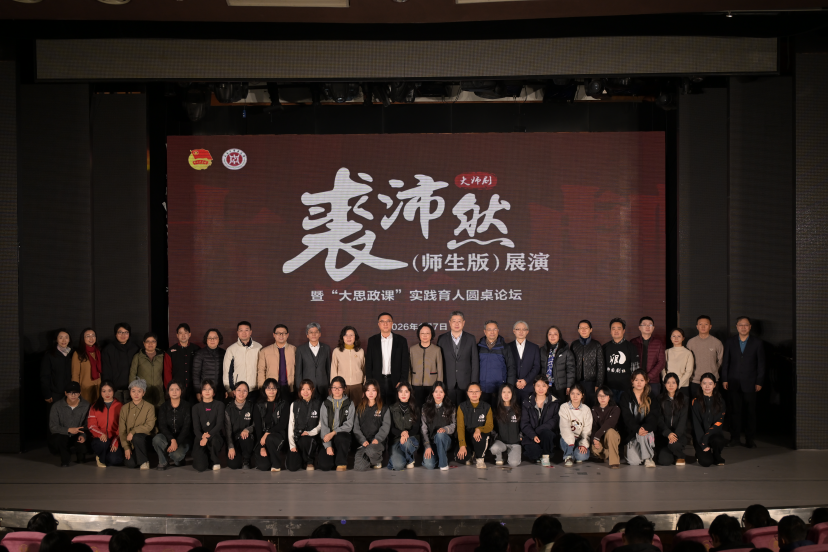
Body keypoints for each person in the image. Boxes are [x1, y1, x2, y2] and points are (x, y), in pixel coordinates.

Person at [721, 316, 765, 448]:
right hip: (733, 381)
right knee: (734, 411)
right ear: (737, 327)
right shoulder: (730, 342)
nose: (743, 327)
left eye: (746, 325)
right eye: (741, 325)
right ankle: (734, 438)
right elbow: (725, 362)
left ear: (750, 327)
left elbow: (761, 364)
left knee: (750, 412)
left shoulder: (757, 343)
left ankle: (750, 439)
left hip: (751, 382)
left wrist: (759, 381)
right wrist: (725, 379)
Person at [365, 312, 410, 404]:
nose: (385, 324)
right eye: (382, 321)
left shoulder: (401, 340)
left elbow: (405, 362)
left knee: (394, 406)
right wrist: (370, 382)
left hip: (395, 381)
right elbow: (369, 363)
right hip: (377, 381)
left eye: (388, 321)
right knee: (379, 406)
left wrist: (402, 380)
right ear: (378, 324)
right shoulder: (372, 340)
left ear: (392, 323)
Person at [619, 370, 660, 468]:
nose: (639, 382)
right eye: (636, 380)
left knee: (643, 433)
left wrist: (644, 428)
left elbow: (653, 416)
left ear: (646, 381)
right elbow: (626, 416)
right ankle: (640, 451)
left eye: (642, 380)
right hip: (631, 433)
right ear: (632, 381)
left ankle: (648, 458)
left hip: (646, 432)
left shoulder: (651, 396)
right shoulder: (625, 396)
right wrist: (637, 429)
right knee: (634, 462)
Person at [317, 375, 355, 471]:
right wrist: (328, 446)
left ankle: (341, 462)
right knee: (325, 466)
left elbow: (349, 425)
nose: (337, 390)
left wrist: (333, 433)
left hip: (341, 437)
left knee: (342, 437)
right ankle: (332, 456)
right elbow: (324, 425)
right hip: (327, 437)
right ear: (331, 388)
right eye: (334, 387)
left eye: (339, 387)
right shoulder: (325, 404)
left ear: (344, 388)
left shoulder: (350, 403)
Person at [521, 375, 560, 467]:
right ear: (534, 386)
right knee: (534, 454)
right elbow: (524, 423)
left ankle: (546, 456)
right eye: (538, 385)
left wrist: (538, 431)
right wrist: (533, 435)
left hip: (546, 435)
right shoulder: (526, 402)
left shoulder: (554, 402)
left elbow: (554, 421)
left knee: (547, 433)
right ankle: (539, 454)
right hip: (531, 436)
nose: (541, 389)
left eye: (544, 385)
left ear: (548, 386)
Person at [48, 381, 90, 466]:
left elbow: (87, 424)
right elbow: (53, 426)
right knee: (58, 440)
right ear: (65, 393)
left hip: (78, 433)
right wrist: (68, 430)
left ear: (80, 393)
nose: (73, 395)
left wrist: (83, 435)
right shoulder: (56, 406)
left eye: (76, 393)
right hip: (63, 434)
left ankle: (81, 456)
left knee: (84, 445)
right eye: (70, 393)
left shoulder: (86, 405)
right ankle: (65, 459)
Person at [153, 380, 192, 470]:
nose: (174, 392)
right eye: (171, 389)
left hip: (183, 439)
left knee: (177, 456)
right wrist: (172, 440)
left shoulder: (187, 406)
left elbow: (187, 427)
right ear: (168, 392)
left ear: (181, 391)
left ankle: (178, 458)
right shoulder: (163, 407)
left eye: (177, 389)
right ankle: (163, 461)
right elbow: (162, 425)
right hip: (168, 437)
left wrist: (177, 442)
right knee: (157, 439)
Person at [119, 378, 156, 470]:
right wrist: (126, 447)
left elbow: (149, 426)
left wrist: (133, 431)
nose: (136, 394)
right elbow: (122, 430)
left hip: (145, 440)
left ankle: (144, 462)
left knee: (137, 436)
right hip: (131, 443)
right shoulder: (124, 408)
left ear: (143, 393)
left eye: (139, 391)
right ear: (130, 392)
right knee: (130, 463)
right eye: (133, 391)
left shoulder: (149, 407)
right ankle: (141, 457)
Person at [354, 379, 391, 471]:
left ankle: (377, 460)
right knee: (359, 467)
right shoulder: (359, 408)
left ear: (377, 392)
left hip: (377, 442)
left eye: (373, 390)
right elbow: (356, 427)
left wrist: (377, 439)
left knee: (371, 450)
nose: (370, 393)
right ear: (364, 392)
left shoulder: (384, 408)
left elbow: (385, 426)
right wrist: (362, 440)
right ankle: (369, 459)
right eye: (368, 390)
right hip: (364, 442)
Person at [254, 378, 290, 472]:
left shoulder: (283, 404)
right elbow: (258, 427)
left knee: (270, 438)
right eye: (268, 388)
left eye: (274, 388)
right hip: (262, 438)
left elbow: (282, 424)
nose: (271, 390)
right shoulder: (258, 405)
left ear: (277, 389)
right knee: (263, 466)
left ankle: (276, 464)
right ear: (264, 389)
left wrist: (267, 433)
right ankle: (268, 459)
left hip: (278, 435)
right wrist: (261, 446)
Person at [691, 373, 727, 467]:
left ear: (714, 385)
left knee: (719, 440)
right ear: (700, 384)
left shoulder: (720, 401)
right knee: (706, 462)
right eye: (704, 383)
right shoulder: (695, 401)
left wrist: (706, 438)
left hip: (713, 435)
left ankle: (716, 454)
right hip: (700, 437)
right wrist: (702, 443)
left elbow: (719, 423)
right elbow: (696, 425)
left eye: (710, 383)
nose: (707, 386)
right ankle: (699, 453)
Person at [477, 320, 516, 405]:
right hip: (482, 389)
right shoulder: (479, 347)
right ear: (485, 331)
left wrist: (509, 387)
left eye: (494, 329)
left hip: (499, 389)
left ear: (498, 331)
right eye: (489, 329)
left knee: (498, 412)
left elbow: (511, 367)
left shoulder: (505, 347)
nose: (492, 332)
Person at [87, 380, 124, 468]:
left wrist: (116, 440)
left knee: (116, 459)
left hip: (114, 438)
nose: (107, 393)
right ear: (100, 392)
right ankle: (101, 457)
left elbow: (122, 426)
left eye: (109, 390)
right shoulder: (94, 406)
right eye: (104, 391)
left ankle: (105, 457)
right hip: (100, 439)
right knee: (102, 443)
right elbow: (91, 425)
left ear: (113, 391)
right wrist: (100, 434)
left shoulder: (120, 406)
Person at [287, 379, 322, 472]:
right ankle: (300, 459)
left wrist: (310, 433)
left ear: (312, 390)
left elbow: (320, 424)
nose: (305, 392)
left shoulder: (318, 404)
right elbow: (291, 425)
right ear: (299, 391)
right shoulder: (294, 404)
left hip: (311, 438)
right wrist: (292, 445)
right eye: (303, 389)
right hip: (297, 437)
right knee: (292, 467)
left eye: (308, 389)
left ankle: (310, 461)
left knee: (306, 440)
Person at [128, 332, 171, 407]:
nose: (150, 344)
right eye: (148, 341)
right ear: (144, 343)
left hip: (159, 393)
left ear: (156, 343)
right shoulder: (138, 357)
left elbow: (167, 372)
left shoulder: (163, 355)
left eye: (153, 341)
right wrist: (134, 392)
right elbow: (132, 374)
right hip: (143, 393)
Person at [191, 379, 225, 472]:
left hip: (215, 436)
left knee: (213, 441)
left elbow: (219, 425)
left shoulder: (219, 405)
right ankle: (205, 458)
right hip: (200, 437)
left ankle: (214, 461)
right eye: (204, 389)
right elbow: (196, 428)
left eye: (210, 389)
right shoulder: (196, 408)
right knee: (200, 467)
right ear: (201, 392)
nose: (207, 391)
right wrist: (202, 437)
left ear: (214, 392)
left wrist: (207, 436)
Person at [421, 381, 456, 471]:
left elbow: (454, 425)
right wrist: (428, 446)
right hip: (432, 442)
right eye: (436, 391)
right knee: (429, 465)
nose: (438, 394)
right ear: (432, 393)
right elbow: (424, 429)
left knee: (440, 435)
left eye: (441, 391)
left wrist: (445, 429)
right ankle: (439, 456)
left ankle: (443, 464)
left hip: (445, 440)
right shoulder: (425, 408)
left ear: (445, 393)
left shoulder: (451, 407)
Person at [686, 315, 724, 399]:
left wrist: (713, 370)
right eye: (700, 324)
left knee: (712, 404)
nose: (703, 327)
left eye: (706, 324)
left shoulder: (717, 342)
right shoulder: (691, 342)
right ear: (697, 326)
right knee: (695, 404)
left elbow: (721, 360)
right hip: (695, 380)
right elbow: (687, 361)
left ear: (710, 326)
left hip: (712, 380)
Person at [570, 319, 605, 408]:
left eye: (586, 328)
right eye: (581, 328)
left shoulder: (596, 345)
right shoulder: (574, 345)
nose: (583, 330)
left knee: (591, 405)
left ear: (591, 330)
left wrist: (598, 384)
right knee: (578, 406)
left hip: (592, 383)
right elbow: (570, 365)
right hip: (577, 382)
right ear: (578, 330)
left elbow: (601, 366)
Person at [223, 321, 263, 400]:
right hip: (238, 390)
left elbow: (262, 368)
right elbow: (227, 371)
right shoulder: (231, 349)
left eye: (246, 330)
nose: (244, 333)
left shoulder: (259, 347)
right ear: (237, 332)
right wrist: (229, 389)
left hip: (255, 389)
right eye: (241, 330)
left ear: (250, 332)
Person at [457, 382, 493, 469]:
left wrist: (479, 429)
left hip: (480, 436)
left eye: (477, 391)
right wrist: (462, 445)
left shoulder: (487, 407)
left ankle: (480, 459)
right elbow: (460, 427)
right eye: (471, 391)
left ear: (480, 393)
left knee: (480, 437)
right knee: (461, 458)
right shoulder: (462, 407)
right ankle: (471, 454)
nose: (474, 393)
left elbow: (490, 426)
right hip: (467, 436)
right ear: (467, 393)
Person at [604, 318, 640, 404]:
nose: (616, 331)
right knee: (612, 410)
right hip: (609, 389)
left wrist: (635, 386)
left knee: (625, 410)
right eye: (613, 328)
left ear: (624, 331)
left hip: (626, 388)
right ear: (610, 331)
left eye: (619, 328)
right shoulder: (604, 347)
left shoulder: (631, 347)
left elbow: (635, 371)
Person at [655, 373, 688, 466]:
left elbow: (683, 420)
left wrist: (675, 436)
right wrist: (668, 433)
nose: (671, 385)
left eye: (673, 382)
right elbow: (659, 419)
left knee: (674, 445)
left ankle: (680, 455)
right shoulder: (659, 399)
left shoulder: (684, 399)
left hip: (679, 436)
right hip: (664, 435)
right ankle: (674, 453)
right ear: (664, 384)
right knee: (664, 461)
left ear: (677, 384)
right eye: (668, 382)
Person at [101, 323, 139, 404]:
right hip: (115, 390)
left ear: (129, 334)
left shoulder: (135, 349)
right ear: (115, 334)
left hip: (132, 389)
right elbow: (106, 372)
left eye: (126, 332)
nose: (123, 335)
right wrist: (109, 389)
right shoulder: (108, 350)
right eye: (120, 332)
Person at [258, 323, 296, 400]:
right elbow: (261, 370)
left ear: (287, 335)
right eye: (278, 333)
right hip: (271, 388)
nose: (281, 335)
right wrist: (262, 387)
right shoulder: (265, 351)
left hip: (289, 387)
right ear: (274, 335)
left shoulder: (294, 350)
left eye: (284, 333)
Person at [409, 323, 444, 407]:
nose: (425, 335)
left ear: (431, 334)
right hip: (415, 384)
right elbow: (409, 368)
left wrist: (438, 386)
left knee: (430, 408)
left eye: (427, 333)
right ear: (419, 334)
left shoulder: (437, 349)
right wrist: (409, 384)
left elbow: (440, 368)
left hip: (432, 384)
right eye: (422, 333)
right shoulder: (412, 349)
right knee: (417, 407)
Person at [295, 322, 332, 399]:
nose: (314, 334)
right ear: (307, 335)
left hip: (323, 386)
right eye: (311, 332)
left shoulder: (326, 348)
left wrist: (329, 386)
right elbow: (298, 371)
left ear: (320, 334)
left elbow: (328, 369)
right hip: (307, 388)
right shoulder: (301, 349)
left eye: (316, 332)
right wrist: (300, 388)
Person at [539, 326, 575, 403]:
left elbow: (571, 370)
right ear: (547, 336)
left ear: (559, 336)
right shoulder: (542, 350)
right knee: (547, 407)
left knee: (560, 406)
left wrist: (569, 386)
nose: (552, 336)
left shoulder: (566, 352)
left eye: (555, 334)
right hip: (546, 386)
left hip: (561, 387)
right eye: (550, 334)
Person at [331, 325, 366, 407]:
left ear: (355, 337)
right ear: (342, 337)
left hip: (357, 386)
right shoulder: (337, 351)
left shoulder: (360, 351)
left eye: (351, 335)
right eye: (346, 335)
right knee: (342, 409)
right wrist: (334, 387)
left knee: (357, 409)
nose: (348, 337)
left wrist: (364, 386)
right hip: (342, 386)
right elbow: (333, 370)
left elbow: (364, 369)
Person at [630, 317, 665, 398]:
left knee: (653, 403)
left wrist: (648, 377)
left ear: (653, 328)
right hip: (636, 381)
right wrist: (638, 378)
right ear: (639, 327)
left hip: (653, 381)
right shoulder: (633, 342)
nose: (647, 327)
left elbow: (661, 362)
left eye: (650, 325)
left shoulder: (658, 343)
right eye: (644, 325)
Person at [388, 382, 420, 470]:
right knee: (398, 466)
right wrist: (401, 433)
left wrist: (406, 434)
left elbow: (416, 429)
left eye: (406, 391)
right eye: (401, 391)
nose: (403, 394)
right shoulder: (391, 409)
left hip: (411, 439)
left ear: (410, 393)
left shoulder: (415, 409)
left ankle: (409, 458)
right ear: (397, 393)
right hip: (396, 441)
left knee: (407, 443)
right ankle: (405, 457)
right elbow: (391, 428)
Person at [559, 384, 593, 467]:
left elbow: (587, 429)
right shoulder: (564, 407)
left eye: (578, 394)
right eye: (572, 393)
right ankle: (568, 456)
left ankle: (573, 455)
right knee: (566, 440)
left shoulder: (586, 409)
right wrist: (571, 443)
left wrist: (583, 444)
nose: (575, 396)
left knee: (581, 456)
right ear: (569, 394)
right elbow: (564, 427)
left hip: (579, 439)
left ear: (582, 395)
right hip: (567, 439)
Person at [225, 381, 256, 470]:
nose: (241, 393)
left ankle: (246, 459)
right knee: (233, 465)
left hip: (247, 439)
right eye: (239, 390)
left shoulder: (252, 406)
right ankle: (239, 456)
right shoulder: (228, 408)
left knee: (245, 437)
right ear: (234, 392)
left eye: (245, 391)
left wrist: (247, 430)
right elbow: (228, 430)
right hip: (235, 440)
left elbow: (255, 424)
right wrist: (231, 447)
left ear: (248, 393)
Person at [509, 321, 541, 405]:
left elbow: (536, 367)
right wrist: (515, 381)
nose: (521, 331)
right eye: (518, 329)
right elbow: (505, 366)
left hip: (529, 387)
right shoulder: (507, 347)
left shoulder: (534, 347)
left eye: (524, 329)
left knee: (527, 411)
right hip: (512, 387)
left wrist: (525, 380)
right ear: (514, 331)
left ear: (527, 331)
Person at [490, 383, 522, 467]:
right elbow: (490, 426)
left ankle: (509, 453)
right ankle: (499, 457)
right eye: (504, 392)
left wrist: (521, 436)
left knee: (514, 463)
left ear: (512, 394)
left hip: (515, 443)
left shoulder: (518, 409)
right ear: (500, 394)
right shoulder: (496, 410)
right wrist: (496, 436)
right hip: (501, 442)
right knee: (494, 449)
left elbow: (524, 425)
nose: (506, 395)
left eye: (509, 392)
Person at [591, 386, 622, 469]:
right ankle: (605, 454)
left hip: (613, 437)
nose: (602, 398)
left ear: (609, 397)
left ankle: (614, 462)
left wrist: (597, 436)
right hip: (601, 438)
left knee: (610, 431)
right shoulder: (594, 409)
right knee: (595, 449)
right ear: (597, 397)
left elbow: (609, 423)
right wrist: (594, 440)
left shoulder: (615, 408)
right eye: (600, 396)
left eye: (605, 395)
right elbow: (594, 426)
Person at [168, 323, 200, 401]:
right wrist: (170, 389)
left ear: (189, 334)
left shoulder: (197, 350)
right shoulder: (170, 352)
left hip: (194, 389)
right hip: (177, 389)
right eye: (180, 333)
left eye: (185, 333)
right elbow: (167, 373)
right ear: (177, 335)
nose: (183, 335)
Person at [41, 329, 73, 405]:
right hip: (55, 394)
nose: (64, 340)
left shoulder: (73, 354)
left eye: (66, 337)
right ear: (56, 339)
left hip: (71, 393)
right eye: (61, 337)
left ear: (69, 339)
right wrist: (47, 394)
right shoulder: (50, 355)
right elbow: (45, 376)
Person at [193, 329, 226, 401]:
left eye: (215, 338)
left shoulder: (224, 353)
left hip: (220, 391)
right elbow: (196, 374)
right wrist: (198, 391)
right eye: (210, 338)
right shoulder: (200, 354)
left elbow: (227, 373)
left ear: (219, 339)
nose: (212, 340)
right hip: (205, 391)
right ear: (206, 339)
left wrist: (227, 389)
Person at [72, 327, 102, 405]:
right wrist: (75, 390)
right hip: (85, 389)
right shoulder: (78, 353)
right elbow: (75, 374)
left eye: (93, 335)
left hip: (98, 387)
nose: (91, 338)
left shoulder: (98, 352)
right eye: (88, 336)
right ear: (83, 338)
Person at [663, 328, 694, 399]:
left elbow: (689, 371)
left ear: (683, 338)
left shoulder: (688, 353)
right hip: (668, 385)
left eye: (679, 336)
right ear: (670, 338)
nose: (676, 338)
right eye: (673, 336)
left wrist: (678, 384)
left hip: (682, 385)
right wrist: (666, 381)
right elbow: (663, 368)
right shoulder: (667, 352)